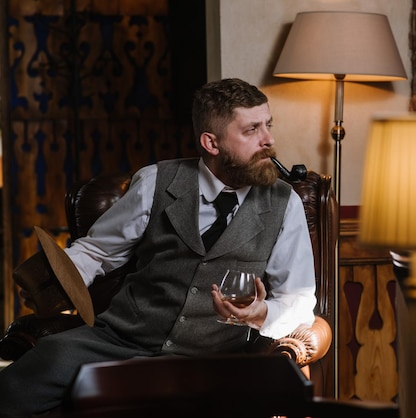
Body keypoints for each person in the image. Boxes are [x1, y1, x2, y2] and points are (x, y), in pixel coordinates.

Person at [0, 78, 317, 417]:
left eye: (268, 125)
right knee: (24, 380)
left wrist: (261, 314)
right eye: (251, 130)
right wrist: (55, 277)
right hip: (119, 341)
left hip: (213, 360)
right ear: (211, 142)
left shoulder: (285, 204)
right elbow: (97, 251)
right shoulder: (155, 181)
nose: (268, 140)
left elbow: (298, 301)